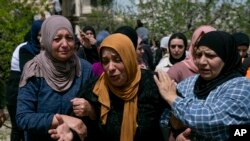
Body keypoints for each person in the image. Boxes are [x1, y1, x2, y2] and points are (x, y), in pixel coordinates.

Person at [50, 33, 169, 141]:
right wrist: (72, 132)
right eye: (105, 61)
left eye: (117, 59)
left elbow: (178, 121)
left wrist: (172, 99)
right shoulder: (95, 88)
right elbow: (80, 126)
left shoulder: (152, 83)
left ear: (128, 58)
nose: (110, 67)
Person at [154, 31, 250, 140]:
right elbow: (166, 120)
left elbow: (210, 118)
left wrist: (173, 98)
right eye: (198, 55)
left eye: (210, 55)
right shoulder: (189, 84)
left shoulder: (242, 86)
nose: (202, 61)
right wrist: (179, 134)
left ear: (226, 57)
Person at [16, 15, 93, 141]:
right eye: (57, 39)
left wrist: (90, 109)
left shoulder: (85, 69)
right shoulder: (34, 70)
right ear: (46, 40)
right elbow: (23, 117)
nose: (65, 44)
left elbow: (99, 112)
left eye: (69, 38)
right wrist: (63, 120)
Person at [6, 20, 43, 141]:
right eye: (39, 35)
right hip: (16, 93)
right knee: (18, 129)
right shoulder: (24, 49)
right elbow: (29, 71)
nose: (41, 38)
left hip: (31, 94)